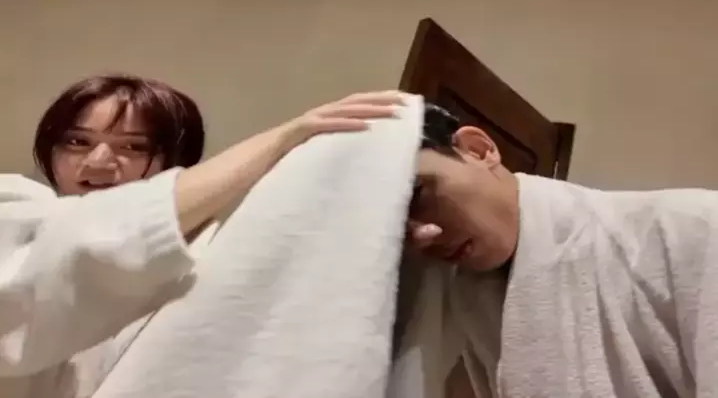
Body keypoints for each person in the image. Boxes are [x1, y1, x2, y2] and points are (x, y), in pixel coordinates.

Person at [0, 74, 405, 397]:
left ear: (177, 160)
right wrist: (282, 137)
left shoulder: (213, 256)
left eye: (134, 147)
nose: (99, 161)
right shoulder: (15, 211)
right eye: (77, 142)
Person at [404, 103, 718, 397]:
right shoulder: (459, 297)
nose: (426, 235)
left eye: (419, 195)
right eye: (399, 228)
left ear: (478, 149)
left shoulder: (693, 227)